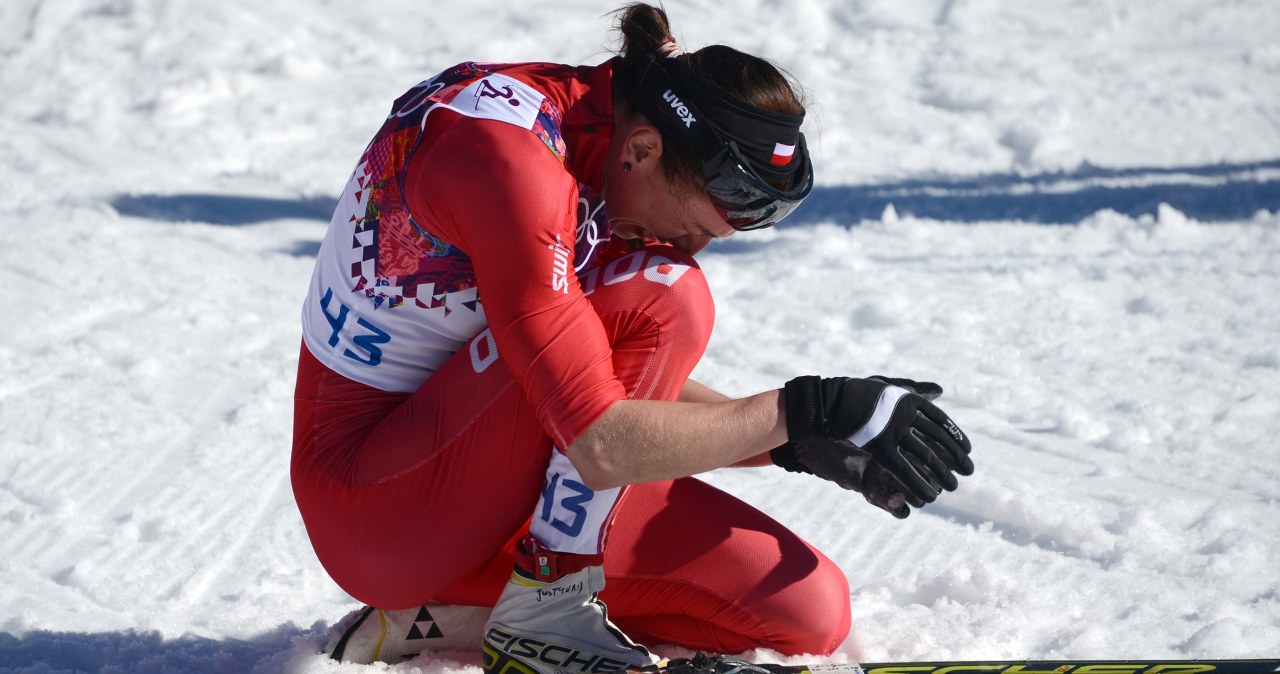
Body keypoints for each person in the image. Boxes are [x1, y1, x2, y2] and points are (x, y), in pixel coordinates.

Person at [291, 3, 974, 671]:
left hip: (483, 471)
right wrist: (806, 408)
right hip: (381, 513)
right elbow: (600, 441)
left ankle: (462, 614)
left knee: (809, 612)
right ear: (644, 149)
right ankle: (547, 604)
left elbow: (585, 372)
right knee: (667, 292)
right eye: (699, 226)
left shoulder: (609, 138)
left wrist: (793, 442)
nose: (695, 246)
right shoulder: (510, 164)